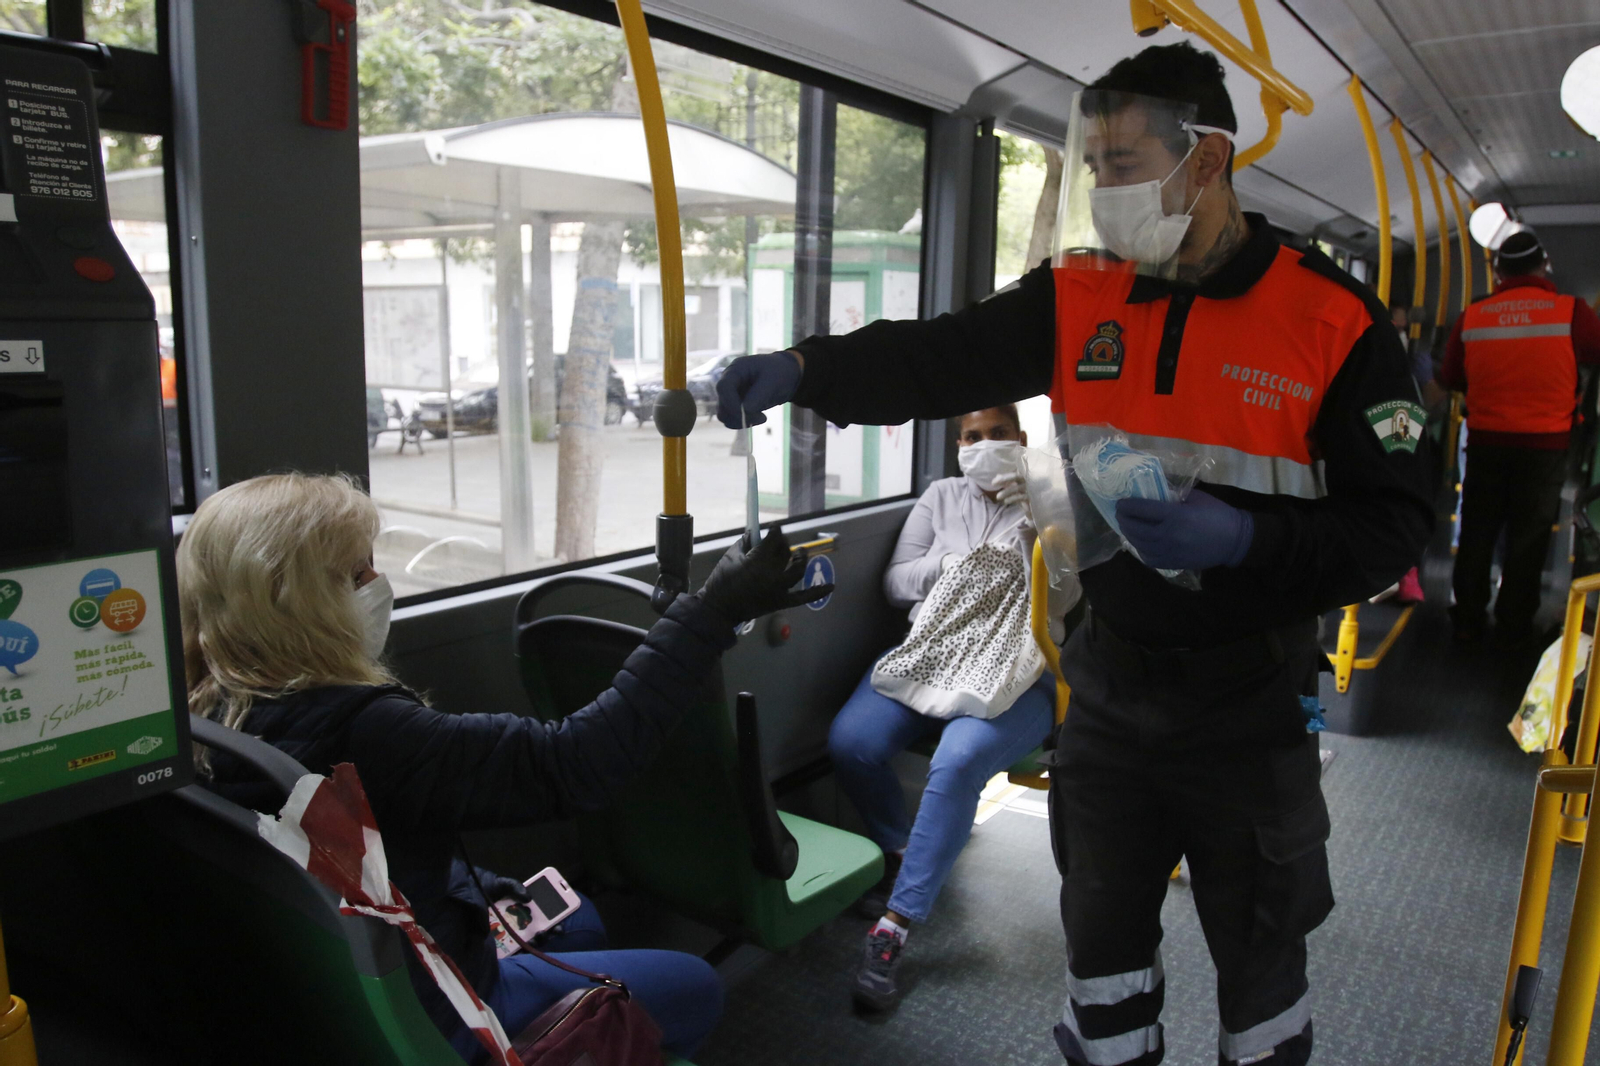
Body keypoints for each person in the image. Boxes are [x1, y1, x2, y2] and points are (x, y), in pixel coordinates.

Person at [715, 42, 1432, 1066]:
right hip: (1105, 693)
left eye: (1123, 162)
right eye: (1090, 163)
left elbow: (1393, 522)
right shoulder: (1080, 294)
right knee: (1099, 954)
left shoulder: (1330, 320)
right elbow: (939, 354)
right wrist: (806, 366)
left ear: (1206, 160)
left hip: (1249, 701)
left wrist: (1243, 536)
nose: (1102, 188)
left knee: (1261, 965)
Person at [178, 472, 828, 1063]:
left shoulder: (205, 713)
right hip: (437, 1004)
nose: (378, 585)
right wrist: (713, 612)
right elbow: (577, 763)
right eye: (357, 572)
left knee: (582, 921)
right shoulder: (368, 731)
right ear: (301, 602)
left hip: (331, 990)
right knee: (696, 988)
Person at [832, 404, 1082, 1011]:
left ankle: (896, 923)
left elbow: (1070, 591)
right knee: (852, 743)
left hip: (1020, 666)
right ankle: (901, 854)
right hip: (935, 648)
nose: (986, 445)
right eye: (973, 438)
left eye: (999, 436)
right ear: (959, 447)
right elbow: (896, 582)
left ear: (1020, 440)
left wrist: (1037, 534)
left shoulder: (1052, 496)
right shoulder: (940, 498)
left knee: (957, 761)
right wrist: (955, 570)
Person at [1437, 229, 1600, 645]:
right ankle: (1513, 621)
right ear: (1543, 266)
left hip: (1487, 443)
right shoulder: (1571, 312)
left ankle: (1468, 619)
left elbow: (1451, 376)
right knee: (1528, 535)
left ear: (1497, 272)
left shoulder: (1475, 315)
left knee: (1477, 529)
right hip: (1544, 447)